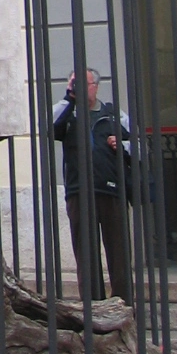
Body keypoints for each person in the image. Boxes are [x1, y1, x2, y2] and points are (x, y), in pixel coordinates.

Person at [52, 68, 131, 302]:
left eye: (83, 83)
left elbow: (138, 145)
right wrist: (69, 98)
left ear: (95, 87)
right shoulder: (67, 114)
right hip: (79, 191)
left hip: (111, 189)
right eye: (73, 83)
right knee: (85, 253)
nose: (77, 87)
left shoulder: (113, 115)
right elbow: (49, 126)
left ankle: (123, 303)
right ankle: (93, 305)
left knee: (118, 251)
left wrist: (122, 145)